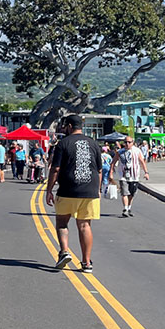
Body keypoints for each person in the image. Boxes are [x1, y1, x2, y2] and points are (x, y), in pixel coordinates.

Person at [45, 115, 102, 272]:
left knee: (62, 223)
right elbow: (99, 170)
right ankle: (87, 262)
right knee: (84, 225)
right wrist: (97, 189)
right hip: (90, 190)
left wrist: (49, 190)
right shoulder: (93, 143)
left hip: (68, 189)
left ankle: (64, 252)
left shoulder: (63, 144)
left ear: (69, 126)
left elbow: (55, 169)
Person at [109, 136, 149, 217]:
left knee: (131, 194)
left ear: (133, 143)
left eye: (129, 142)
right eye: (125, 142)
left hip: (134, 176)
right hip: (123, 176)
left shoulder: (137, 151)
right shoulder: (120, 152)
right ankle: (125, 209)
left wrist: (146, 172)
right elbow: (113, 162)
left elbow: (142, 161)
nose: (127, 144)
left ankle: (129, 207)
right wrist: (111, 173)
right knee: (124, 193)